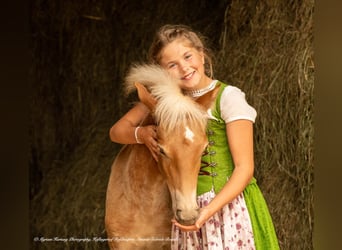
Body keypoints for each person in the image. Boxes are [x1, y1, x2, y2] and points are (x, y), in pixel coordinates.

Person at [109, 24, 280, 249]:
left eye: (188, 56)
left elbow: (245, 168)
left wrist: (208, 211)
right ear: (162, 71)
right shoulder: (167, 102)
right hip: (189, 209)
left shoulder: (228, 98)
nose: (184, 68)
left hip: (226, 211)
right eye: (172, 65)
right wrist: (140, 133)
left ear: (201, 53)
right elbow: (116, 132)